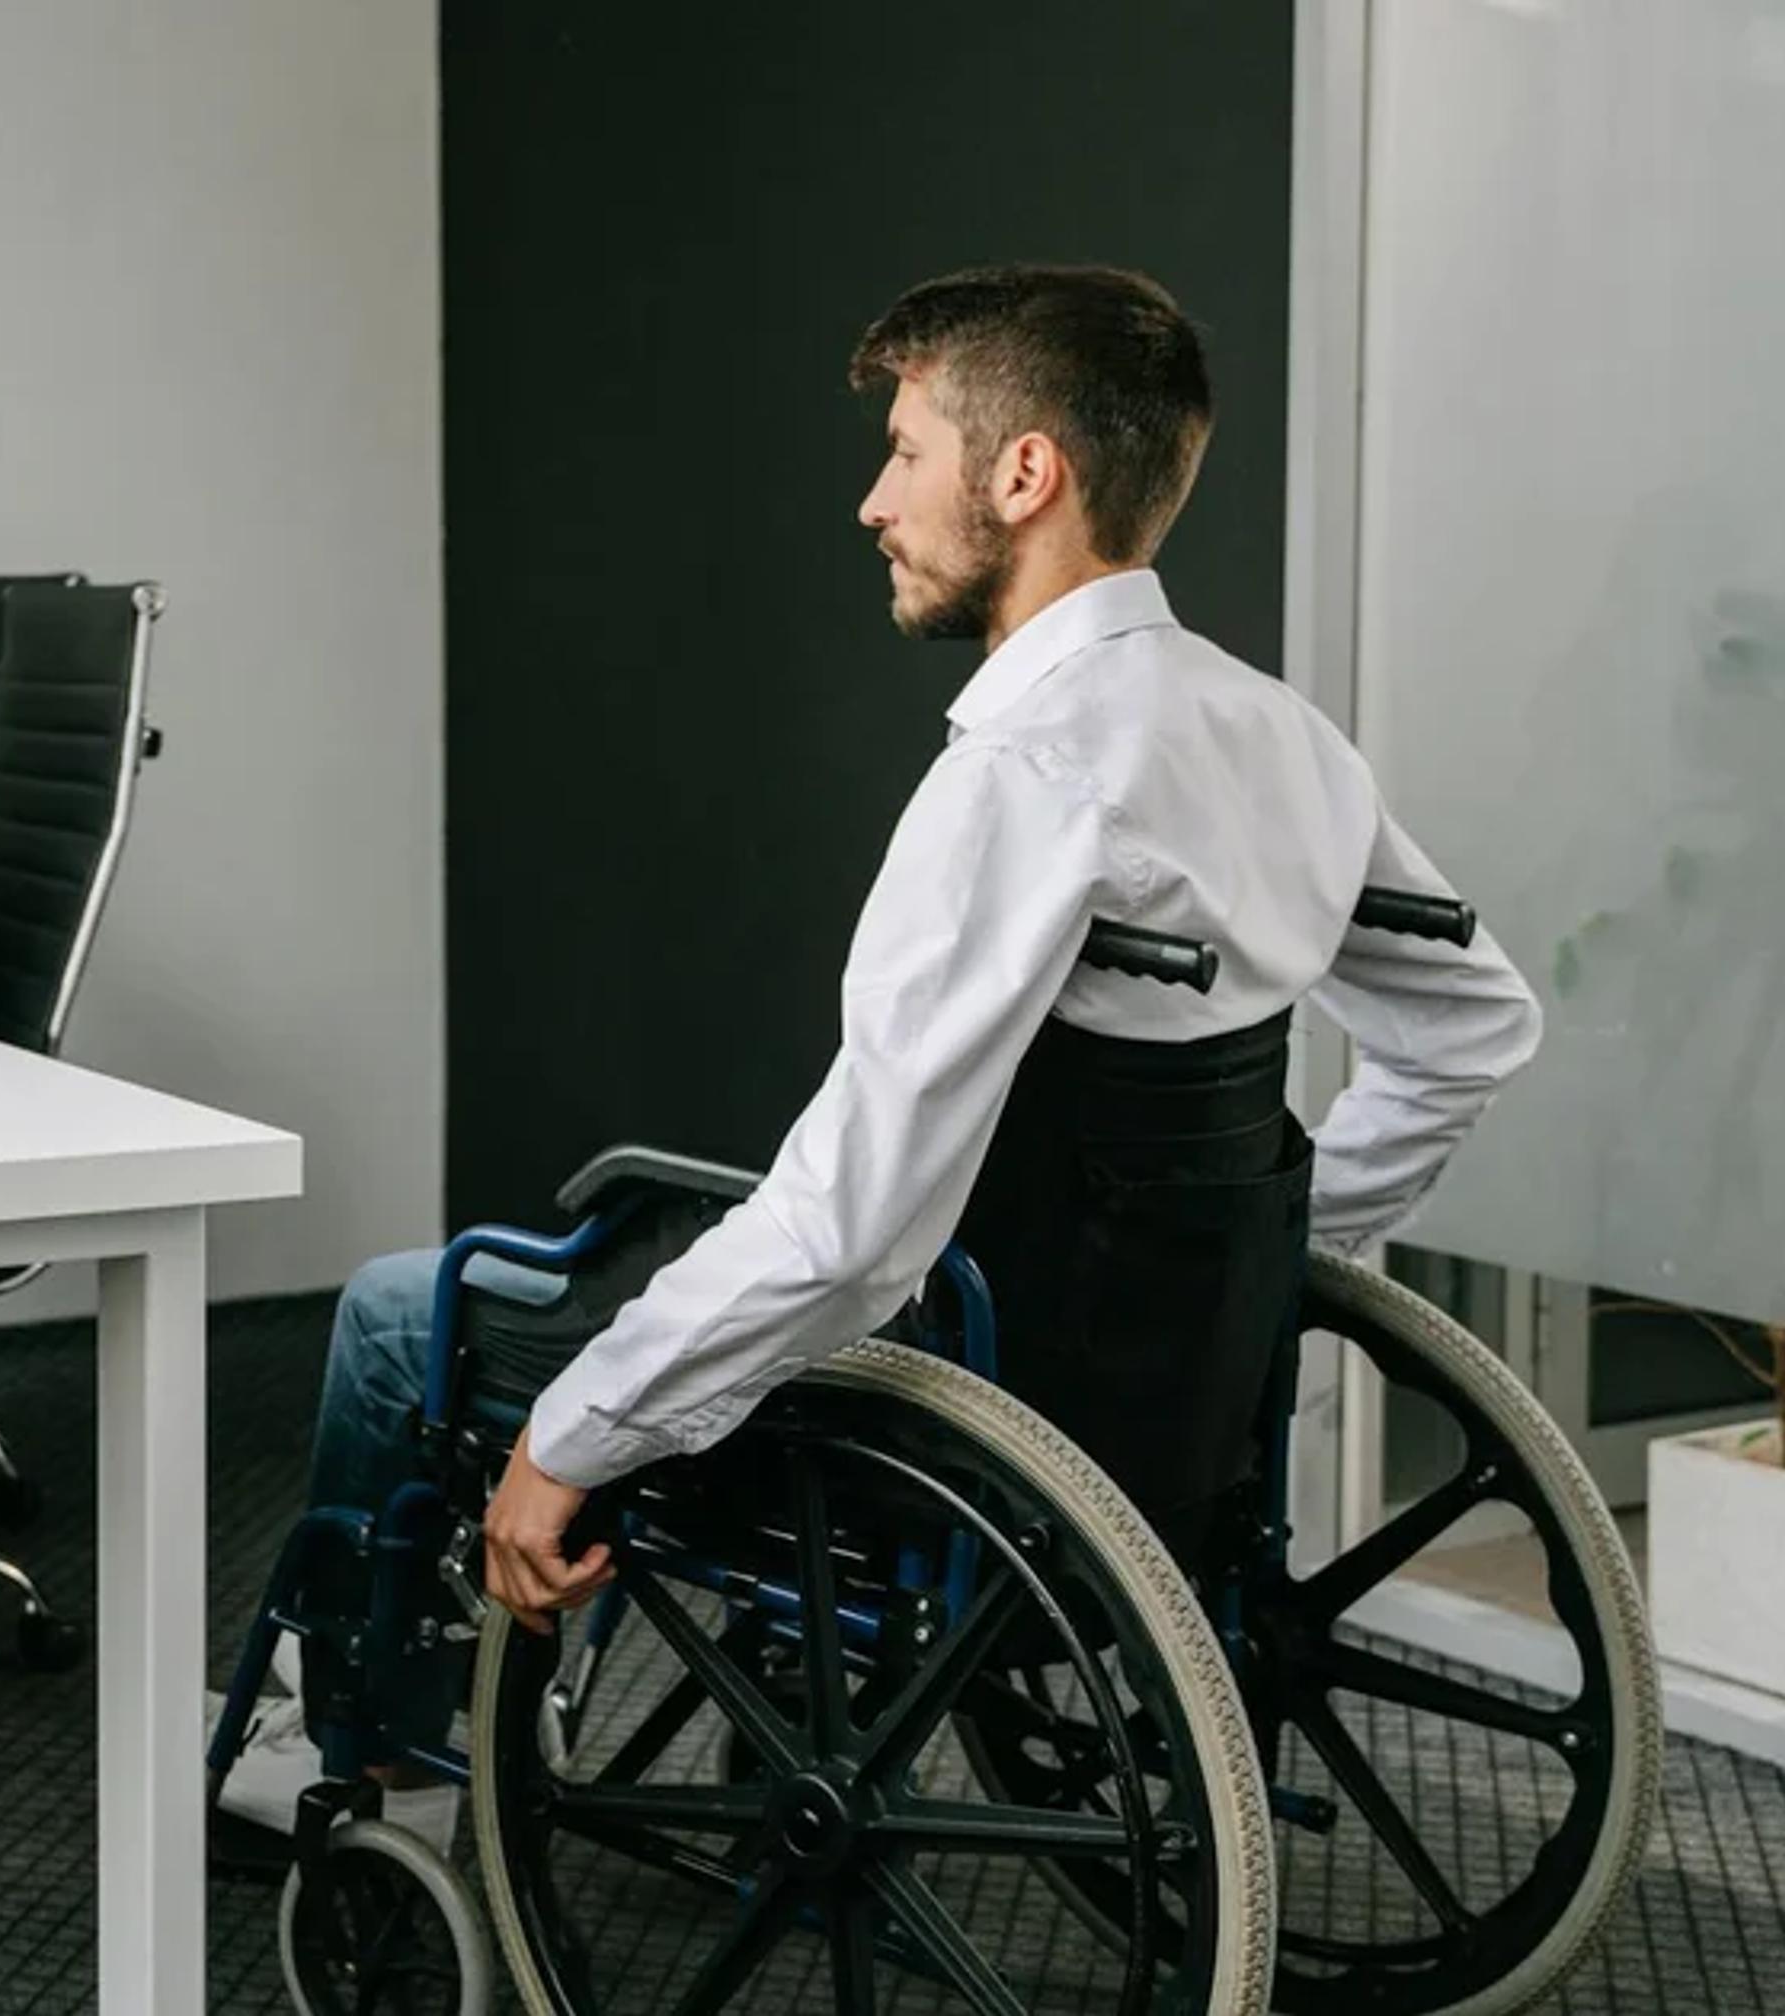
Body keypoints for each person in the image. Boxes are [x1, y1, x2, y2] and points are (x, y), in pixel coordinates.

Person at [211, 264, 1545, 1845]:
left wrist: (567, 1443)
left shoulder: (1021, 775)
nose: (871, 501)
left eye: (905, 451)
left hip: (950, 1396)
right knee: (675, 1266)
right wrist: (1258, 1262)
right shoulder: (1282, 739)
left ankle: (364, 1747)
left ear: (1024, 473)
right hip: (1140, 1396)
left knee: (396, 1312)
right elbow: (1474, 1024)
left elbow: (853, 1232)